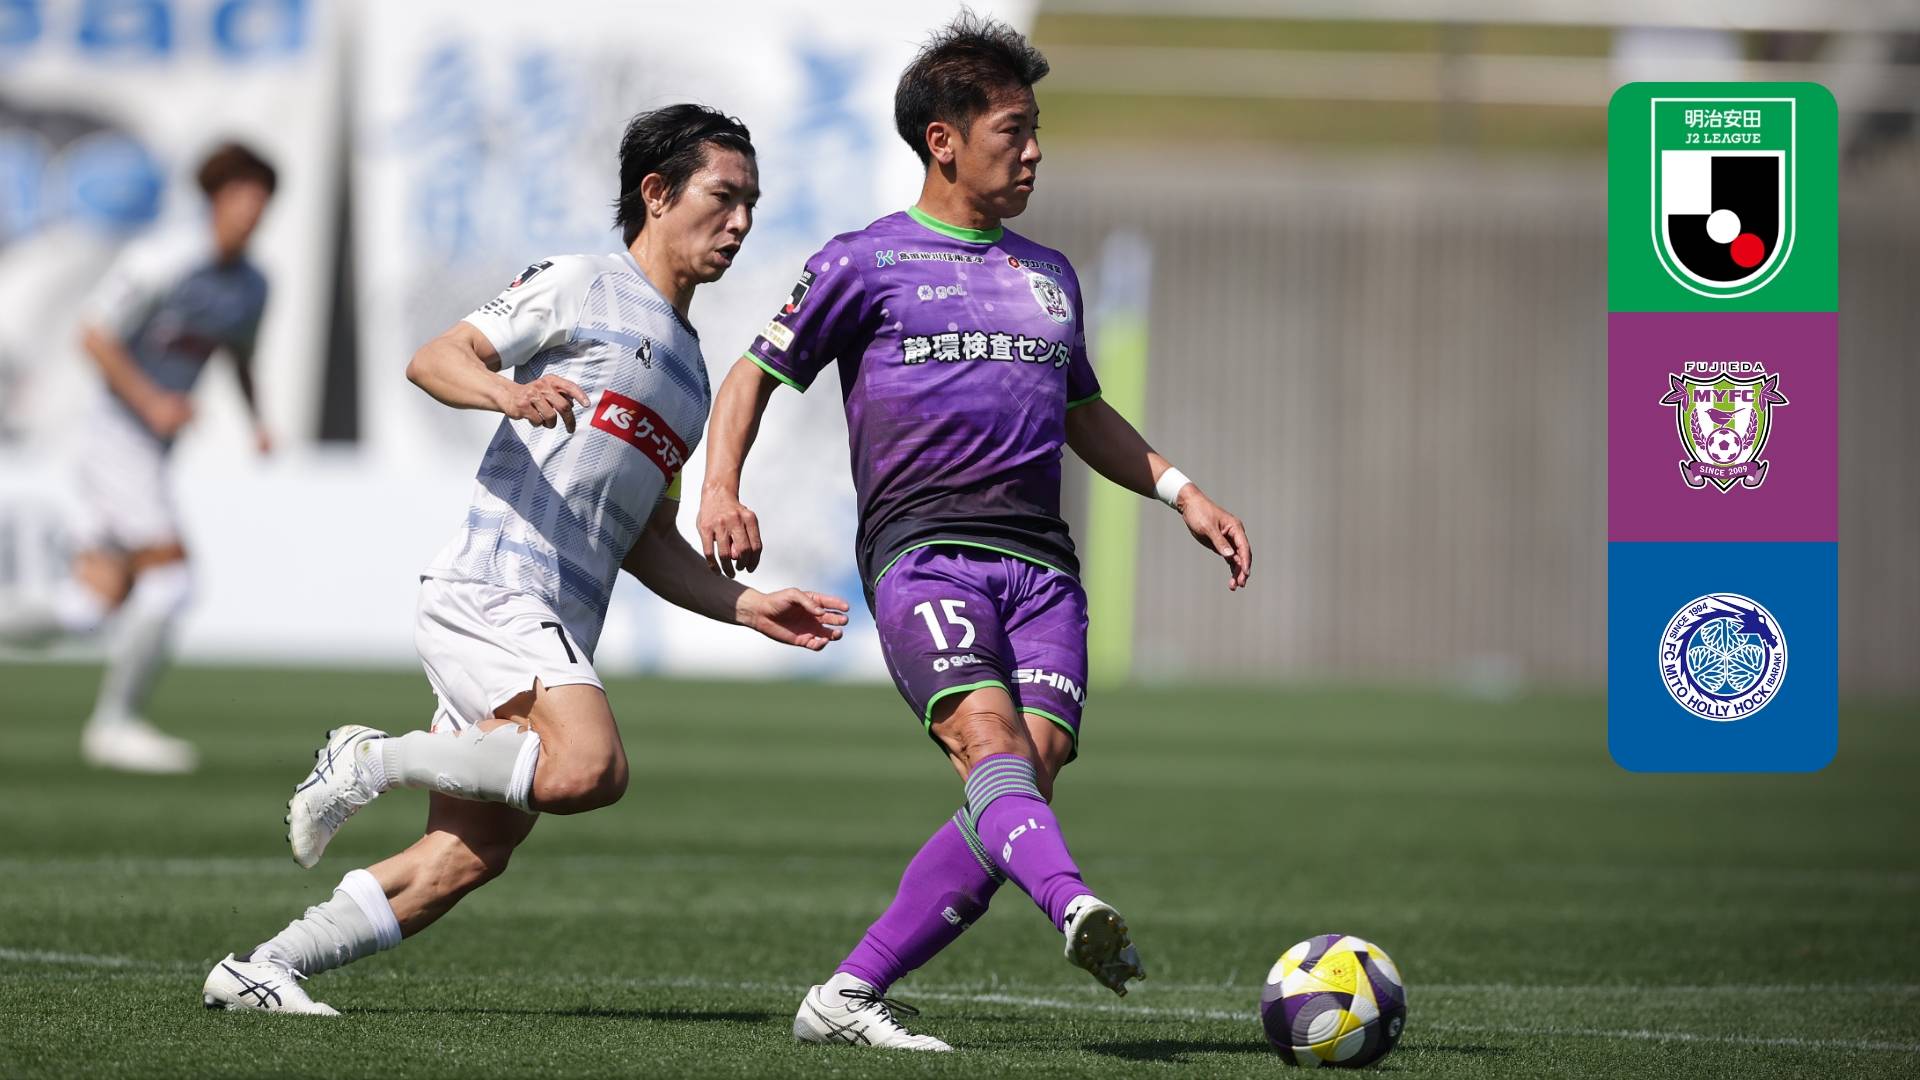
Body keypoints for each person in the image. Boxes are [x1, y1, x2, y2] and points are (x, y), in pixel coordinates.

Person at [200, 104, 852, 1015]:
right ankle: (372, 757)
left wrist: (747, 606)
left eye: (752, 204)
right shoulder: (583, 285)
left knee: (469, 856)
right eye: (723, 196)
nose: (741, 222)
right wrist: (506, 393)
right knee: (590, 768)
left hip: (554, 619)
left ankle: (262, 968)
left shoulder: (691, 376)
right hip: (495, 588)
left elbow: (646, 537)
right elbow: (436, 357)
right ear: (657, 193)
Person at [698, 15, 1253, 1052]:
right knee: (986, 746)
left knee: (1024, 781)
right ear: (943, 140)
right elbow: (753, 373)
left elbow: (1084, 412)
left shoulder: (1049, 275)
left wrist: (1182, 491)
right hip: (926, 553)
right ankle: (1075, 903)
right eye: (1013, 130)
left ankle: (847, 994)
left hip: (1044, 569)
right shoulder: (864, 261)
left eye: (1037, 130)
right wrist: (719, 488)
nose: (1034, 150)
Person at [0, 142, 277, 774]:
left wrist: (258, 422)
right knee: (173, 580)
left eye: (262, 200)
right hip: (115, 438)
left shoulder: (252, 286)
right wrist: (152, 401)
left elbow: (239, 353)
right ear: (215, 198)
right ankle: (114, 725)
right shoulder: (164, 259)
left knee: (87, 606)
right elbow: (94, 335)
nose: (252, 211)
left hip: (152, 449)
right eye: (242, 196)